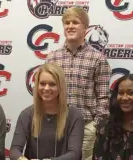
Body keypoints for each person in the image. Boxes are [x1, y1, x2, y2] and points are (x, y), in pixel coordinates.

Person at [45, 7, 111, 160]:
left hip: (86, 127)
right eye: (66, 23)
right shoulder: (52, 59)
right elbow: (45, 94)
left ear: (85, 28)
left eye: (75, 22)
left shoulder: (98, 59)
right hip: (56, 125)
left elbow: (103, 97)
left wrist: (95, 126)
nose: (70, 26)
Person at [9, 63, 84, 160]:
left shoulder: (74, 116)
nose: (46, 88)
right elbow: (14, 150)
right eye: (42, 83)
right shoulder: (27, 114)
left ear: (60, 86)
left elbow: (74, 154)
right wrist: (22, 159)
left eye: (52, 84)